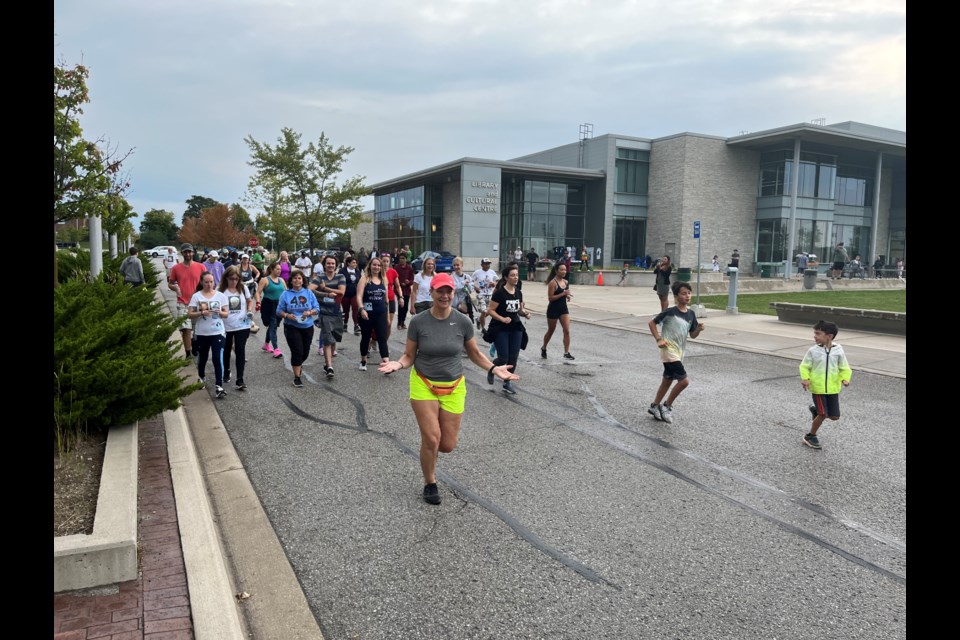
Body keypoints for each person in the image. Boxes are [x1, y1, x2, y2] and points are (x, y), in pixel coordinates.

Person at [378, 272, 518, 505]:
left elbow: (474, 353)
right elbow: (409, 355)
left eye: (448, 291)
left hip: (454, 385)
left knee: (447, 445)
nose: (444, 295)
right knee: (432, 439)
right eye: (439, 291)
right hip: (423, 383)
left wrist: (493, 369)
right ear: (431, 292)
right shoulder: (419, 322)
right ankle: (430, 482)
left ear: (454, 293)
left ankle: (431, 454)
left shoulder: (462, 321)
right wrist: (399, 364)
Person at [646, 281, 704, 424]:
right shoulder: (670, 312)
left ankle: (654, 406)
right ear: (677, 296)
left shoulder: (691, 314)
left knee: (667, 380)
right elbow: (652, 323)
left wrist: (698, 330)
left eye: (689, 293)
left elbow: (692, 334)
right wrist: (658, 339)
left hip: (679, 353)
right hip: (668, 351)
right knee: (684, 381)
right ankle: (667, 406)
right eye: (684, 293)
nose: (687, 296)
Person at [799, 320, 852, 449]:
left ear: (829, 336)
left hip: (833, 388)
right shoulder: (813, 351)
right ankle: (810, 436)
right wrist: (805, 378)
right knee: (823, 415)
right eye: (815, 333)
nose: (815, 336)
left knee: (834, 416)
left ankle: (815, 410)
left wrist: (845, 378)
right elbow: (804, 366)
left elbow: (844, 367)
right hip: (818, 388)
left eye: (818, 333)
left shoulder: (838, 350)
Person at [484, 264, 530, 394]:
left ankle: (507, 381)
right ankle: (492, 368)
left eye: (516, 275)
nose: (515, 277)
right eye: (512, 275)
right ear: (506, 277)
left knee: (513, 357)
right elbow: (491, 310)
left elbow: (520, 310)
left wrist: (525, 313)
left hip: (515, 327)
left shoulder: (518, 292)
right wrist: (502, 319)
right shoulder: (499, 293)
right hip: (500, 328)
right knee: (503, 357)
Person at [188, 271, 230, 399]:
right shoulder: (196, 296)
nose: (209, 284)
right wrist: (201, 313)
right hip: (202, 333)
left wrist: (220, 312)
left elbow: (226, 314)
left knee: (217, 358)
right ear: (201, 282)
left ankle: (219, 386)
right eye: (206, 282)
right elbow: (189, 314)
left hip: (218, 332)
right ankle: (201, 376)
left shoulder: (220, 296)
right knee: (203, 358)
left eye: (211, 282)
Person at [277, 269, 321, 388]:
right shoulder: (286, 294)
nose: (297, 280)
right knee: (297, 351)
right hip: (292, 326)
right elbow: (279, 311)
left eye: (299, 278)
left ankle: (298, 364)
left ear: (303, 280)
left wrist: (310, 312)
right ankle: (297, 378)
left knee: (305, 352)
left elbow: (317, 308)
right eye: (295, 278)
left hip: (307, 326)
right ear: (291, 280)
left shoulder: (308, 293)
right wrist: (287, 315)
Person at [167, 243, 208, 359]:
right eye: (185, 252)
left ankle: (194, 345)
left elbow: (206, 282)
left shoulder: (200, 267)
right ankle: (188, 353)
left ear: (193, 253)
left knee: (197, 329)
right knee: (186, 329)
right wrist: (175, 288)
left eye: (190, 252)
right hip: (182, 302)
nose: (188, 254)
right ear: (182, 253)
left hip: (197, 303)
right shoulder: (176, 268)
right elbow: (170, 283)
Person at [218, 266, 255, 390]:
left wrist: (249, 310)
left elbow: (249, 301)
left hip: (242, 325)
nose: (234, 281)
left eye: (236, 278)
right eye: (231, 278)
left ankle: (240, 379)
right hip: (225, 326)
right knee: (226, 350)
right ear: (226, 278)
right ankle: (226, 370)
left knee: (240, 350)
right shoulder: (221, 291)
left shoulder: (243, 288)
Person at [309, 255, 346, 379]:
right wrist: (325, 294)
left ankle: (328, 363)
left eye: (333, 263)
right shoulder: (319, 277)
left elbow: (341, 292)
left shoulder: (340, 277)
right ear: (324, 264)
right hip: (323, 312)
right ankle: (329, 366)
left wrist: (325, 287)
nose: (331, 265)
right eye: (328, 263)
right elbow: (310, 290)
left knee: (335, 337)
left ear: (336, 265)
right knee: (328, 339)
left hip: (336, 311)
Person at [356, 256, 391, 371]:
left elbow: (386, 300)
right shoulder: (365, 279)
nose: (376, 267)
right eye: (374, 265)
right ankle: (363, 360)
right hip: (367, 314)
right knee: (366, 337)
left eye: (378, 265)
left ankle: (386, 362)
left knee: (382, 337)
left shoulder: (384, 280)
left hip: (380, 313)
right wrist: (361, 309)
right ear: (370, 266)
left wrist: (387, 316)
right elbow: (359, 296)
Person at [540, 261, 574, 360]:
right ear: (556, 271)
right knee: (551, 330)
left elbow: (566, 292)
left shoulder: (566, 282)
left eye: (565, 269)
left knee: (567, 331)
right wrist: (563, 294)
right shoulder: (552, 283)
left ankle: (566, 352)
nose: (564, 271)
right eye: (561, 269)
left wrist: (567, 296)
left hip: (563, 309)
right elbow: (550, 298)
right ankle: (544, 347)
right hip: (553, 309)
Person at [256, 261, 287, 357]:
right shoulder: (265, 280)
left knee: (273, 326)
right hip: (269, 306)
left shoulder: (281, 280)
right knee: (273, 325)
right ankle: (276, 349)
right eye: (277, 269)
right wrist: (258, 302)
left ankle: (266, 344)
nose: (279, 271)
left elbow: (286, 293)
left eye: (280, 269)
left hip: (279, 306)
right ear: (272, 269)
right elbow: (258, 292)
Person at [380, 253, 404, 339]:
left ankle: (384, 344)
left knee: (389, 324)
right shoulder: (377, 272)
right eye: (383, 261)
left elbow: (398, 286)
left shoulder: (393, 272)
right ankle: (374, 339)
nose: (385, 263)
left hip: (390, 299)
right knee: (379, 323)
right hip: (379, 300)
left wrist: (401, 297)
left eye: (387, 261)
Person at [472, 258, 499, 331]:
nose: (487, 265)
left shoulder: (492, 272)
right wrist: (475, 288)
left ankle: (478, 319)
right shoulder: (477, 272)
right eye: (486, 264)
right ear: (481, 265)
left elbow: (498, 281)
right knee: (484, 311)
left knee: (489, 311)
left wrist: (494, 283)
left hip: (490, 294)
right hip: (481, 295)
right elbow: (470, 282)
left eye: (489, 264)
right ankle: (483, 329)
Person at [339, 256, 362, 336]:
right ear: (348, 263)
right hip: (345, 294)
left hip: (355, 293)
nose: (355, 264)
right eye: (353, 262)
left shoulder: (357, 271)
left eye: (356, 263)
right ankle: (345, 323)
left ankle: (356, 325)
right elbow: (339, 281)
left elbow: (360, 281)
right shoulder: (342, 271)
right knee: (346, 310)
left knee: (355, 308)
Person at [394, 252, 415, 329]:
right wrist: (400, 283)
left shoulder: (409, 268)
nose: (402, 260)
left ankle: (403, 322)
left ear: (406, 259)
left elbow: (412, 279)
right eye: (400, 258)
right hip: (399, 290)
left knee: (405, 307)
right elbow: (394, 279)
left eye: (403, 258)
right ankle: (399, 323)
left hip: (407, 290)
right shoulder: (396, 268)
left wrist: (408, 282)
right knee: (401, 306)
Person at [450, 257, 474, 325]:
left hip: (465, 304)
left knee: (464, 323)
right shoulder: (451, 277)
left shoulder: (467, 277)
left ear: (462, 265)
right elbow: (453, 289)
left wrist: (468, 285)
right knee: (454, 323)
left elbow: (471, 290)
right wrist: (463, 283)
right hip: (454, 305)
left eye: (458, 265)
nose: (456, 267)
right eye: (454, 265)